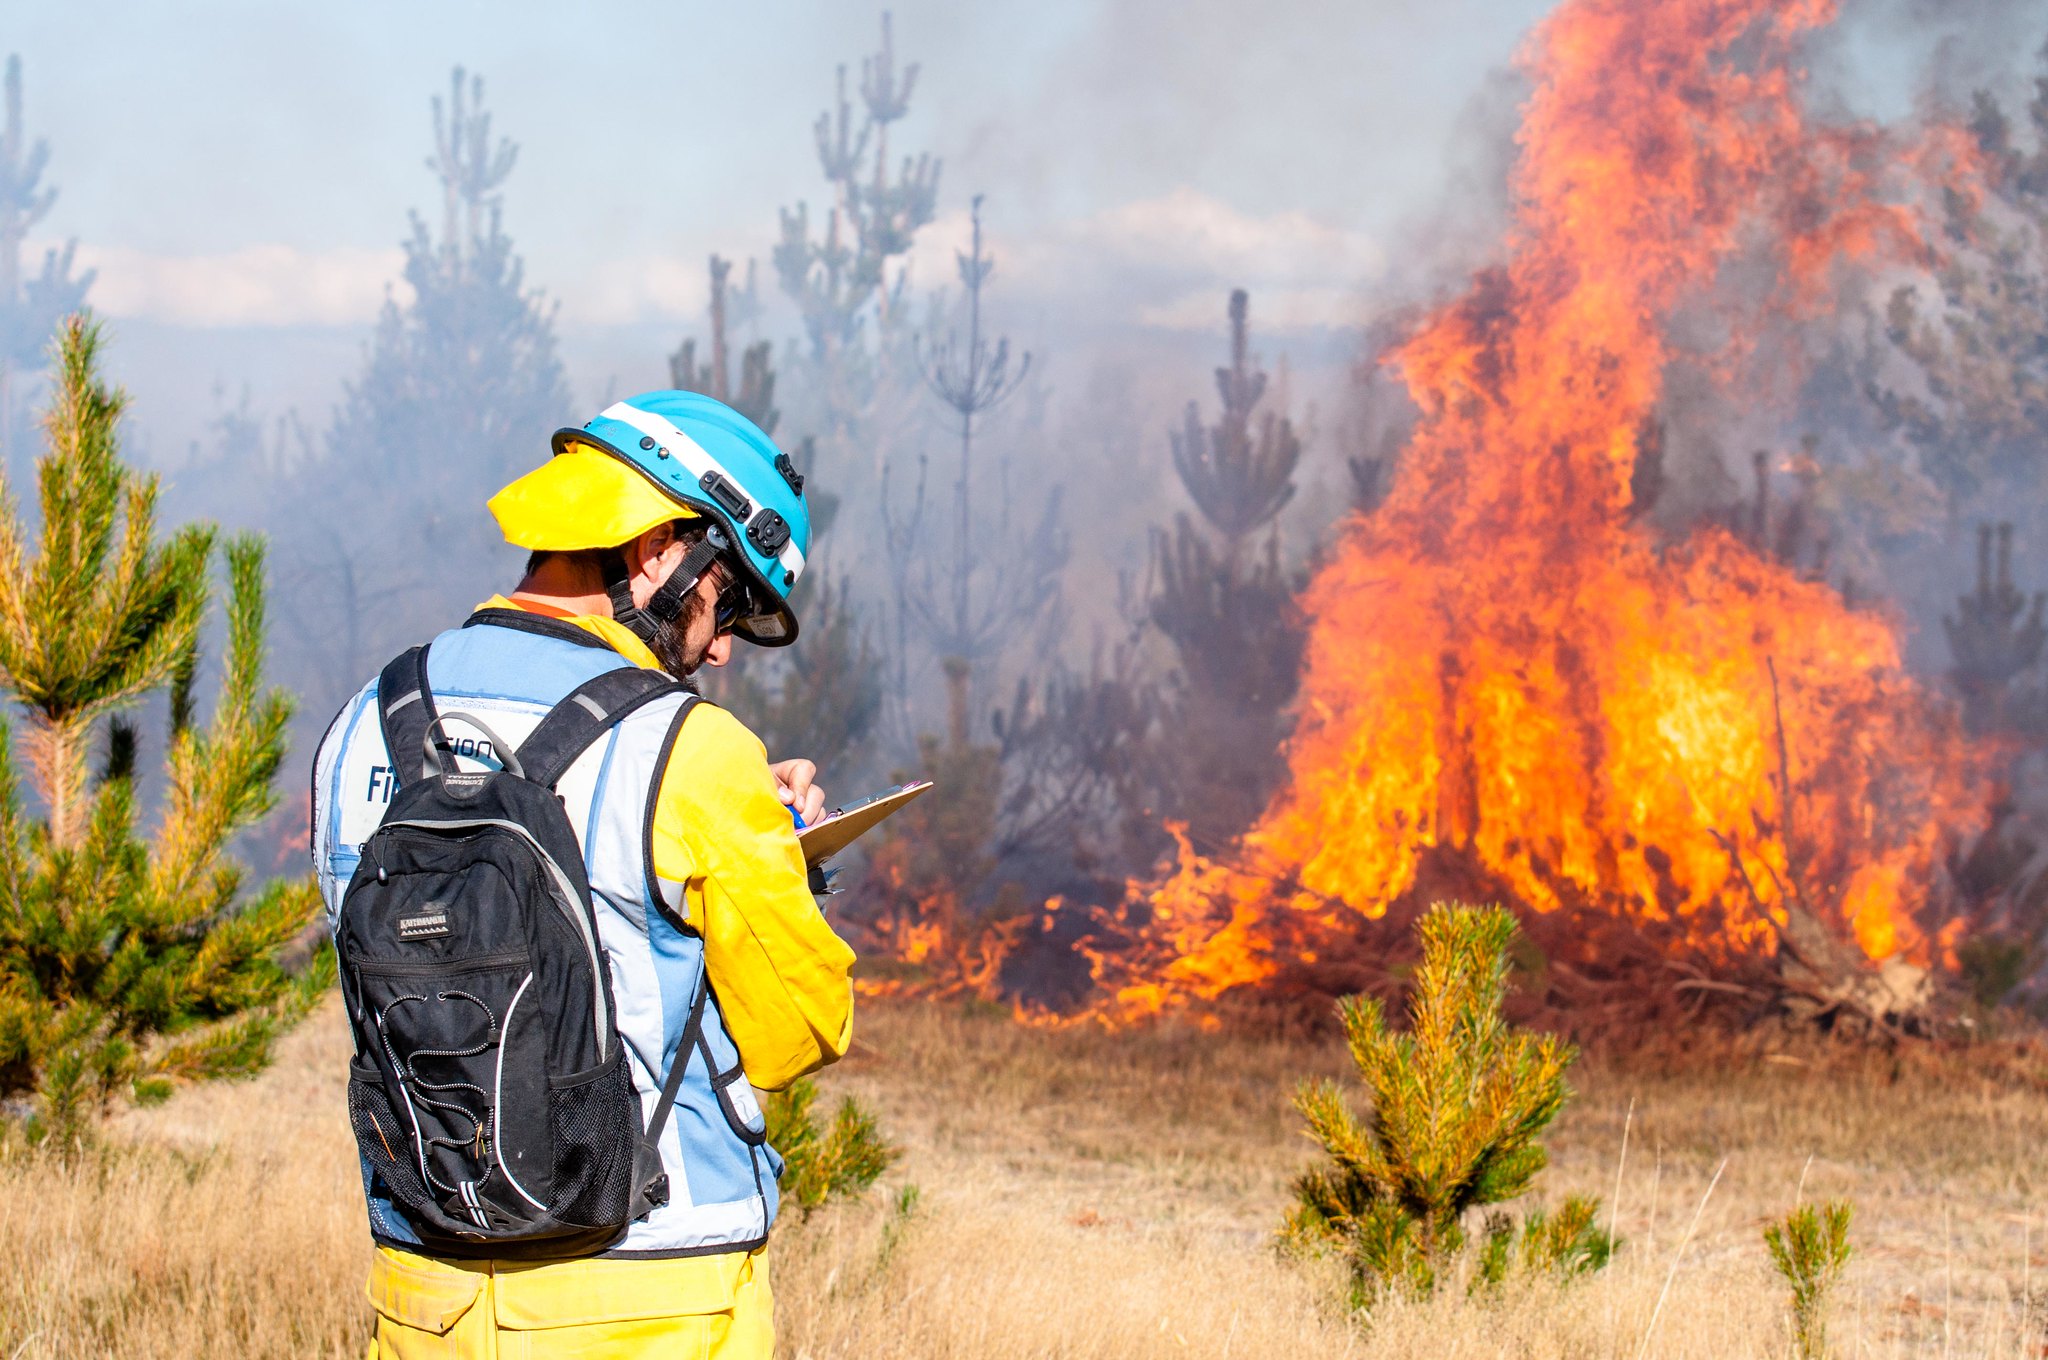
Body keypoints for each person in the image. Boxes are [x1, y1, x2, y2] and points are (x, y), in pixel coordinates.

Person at [310, 390, 856, 1358]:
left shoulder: (360, 723)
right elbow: (800, 1030)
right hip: (650, 1294)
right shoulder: (692, 749)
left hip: (425, 1287)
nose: (723, 643)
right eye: (726, 597)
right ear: (656, 548)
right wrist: (782, 859)